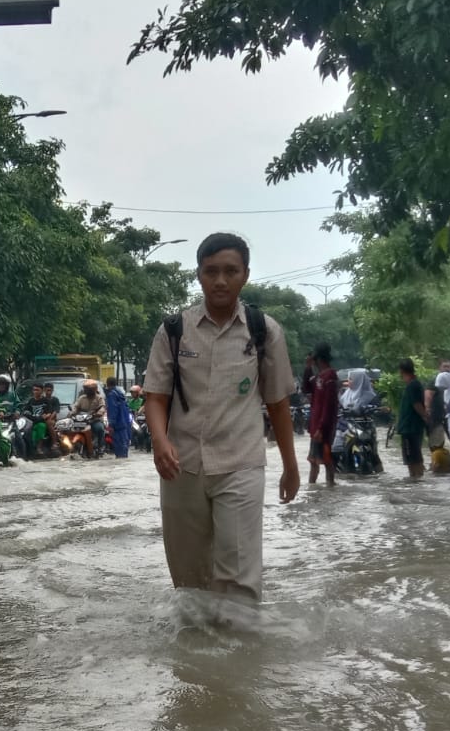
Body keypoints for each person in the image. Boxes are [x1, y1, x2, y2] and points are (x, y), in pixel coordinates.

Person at [142, 232, 299, 603]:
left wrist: (290, 465)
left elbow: (278, 403)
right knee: (189, 578)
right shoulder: (173, 331)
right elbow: (155, 395)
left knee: (239, 577)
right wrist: (159, 441)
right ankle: (197, 655)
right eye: (211, 271)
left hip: (241, 465)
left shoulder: (264, 332)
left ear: (245, 274)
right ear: (198, 275)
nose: (221, 280)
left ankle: (240, 654)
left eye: (231, 271)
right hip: (181, 468)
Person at [306, 343, 340, 486]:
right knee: (314, 460)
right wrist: (307, 368)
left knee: (325, 459)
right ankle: (313, 489)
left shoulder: (330, 376)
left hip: (323, 427)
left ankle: (330, 486)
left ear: (319, 359)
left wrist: (321, 427)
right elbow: (306, 388)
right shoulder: (318, 377)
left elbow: (329, 405)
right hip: (316, 426)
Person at [395, 359, 430, 480]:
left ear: (401, 371)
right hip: (413, 427)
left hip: (410, 428)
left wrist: (425, 416)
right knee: (415, 456)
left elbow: (417, 404)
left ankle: (415, 480)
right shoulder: (415, 384)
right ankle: (417, 480)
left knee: (412, 459)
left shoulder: (412, 385)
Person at [428, 369, 450, 474]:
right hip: (438, 419)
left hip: (448, 420)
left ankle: (436, 468)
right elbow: (428, 395)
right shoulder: (435, 384)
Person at [70, 378, 108, 455]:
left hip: (94, 420)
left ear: (94, 389)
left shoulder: (99, 398)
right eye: (86, 389)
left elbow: (102, 407)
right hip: (82, 421)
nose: (87, 391)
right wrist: (72, 413)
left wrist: (99, 413)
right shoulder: (81, 398)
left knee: (100, 429)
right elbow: (76, 407)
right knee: (69, 428)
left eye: (89, 389)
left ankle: (101, 447)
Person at [104, 376, 133, 458]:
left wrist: (111, 425)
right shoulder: (121, 394)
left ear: (107, 384)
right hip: (125, 423)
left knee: (119, 448)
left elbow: (113, 411)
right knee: (124, 446)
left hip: (117, 425)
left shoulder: (111, 395)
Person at [33, 380, 62, 456]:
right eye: (46, 390)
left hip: (51, 419)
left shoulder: (55, 400)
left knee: (49, 424)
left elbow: (55, 411)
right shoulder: (41, 399)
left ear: (52, 390)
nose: (48, 392)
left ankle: (54, 442)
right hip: (41, 418)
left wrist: (49, 417)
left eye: (49, 390)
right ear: (44, 390)